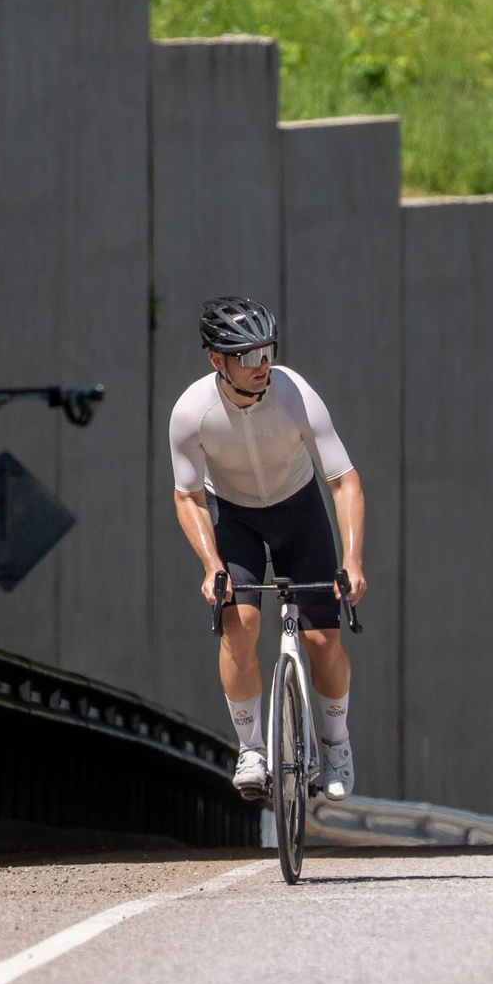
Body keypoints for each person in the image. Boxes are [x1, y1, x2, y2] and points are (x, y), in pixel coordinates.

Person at [169, 297, 367, 802]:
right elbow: (188, 495)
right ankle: (252, 748)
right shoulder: (192, 412)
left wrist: (352, 561)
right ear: (218, 361)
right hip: (233, 517)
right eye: (248, 356)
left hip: (298, 512)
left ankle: (336, 744)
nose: (262, 366)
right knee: (240, 624)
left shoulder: (296, 395)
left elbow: (343, 481)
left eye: (267, 353)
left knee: (323, 640)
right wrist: (212, 565)